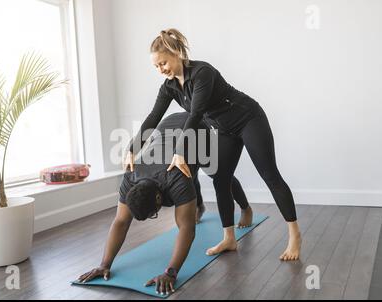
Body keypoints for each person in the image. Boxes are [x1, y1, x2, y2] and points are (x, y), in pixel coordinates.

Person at [124, 28, 301, 261]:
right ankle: (229, 238)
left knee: (270, 176)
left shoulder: (202, 73)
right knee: (220, 178)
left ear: (177, 53)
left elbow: (196, 113)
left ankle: (295, 235)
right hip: (224, 129)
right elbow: (153, 117)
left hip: (248, 119)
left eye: (163, 63)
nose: (160, 70)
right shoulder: (169, 87)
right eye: (156, 66)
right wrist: (132, 148)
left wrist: (179, 152)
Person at [78, 112, 251, 295]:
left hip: (198, 131)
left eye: (154, 213)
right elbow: (121, 221)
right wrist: (104, 264)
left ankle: (246, 208)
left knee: (219, 176)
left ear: (159, 199)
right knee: (189, 171)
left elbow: (187, 229)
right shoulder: (131, 175)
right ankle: (198, 206)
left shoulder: (175, 177)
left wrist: (171, 272)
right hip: (166, 132)